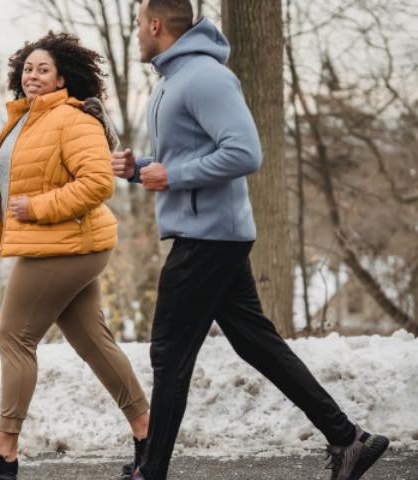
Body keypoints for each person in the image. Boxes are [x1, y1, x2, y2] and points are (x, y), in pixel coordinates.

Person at [111, 1, 390, 480]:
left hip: (208, 238)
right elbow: (187, 155)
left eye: (139, 24)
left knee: (169, 354)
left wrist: (171, 175)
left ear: (156, 24)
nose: (137, 33)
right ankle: (348, 439)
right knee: (255, 343)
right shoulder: (174, 80)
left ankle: (149, 472)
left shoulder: (206, 77)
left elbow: (244, 152)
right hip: (209, 233)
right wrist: (142, 170)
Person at [0, 32, 150, 480]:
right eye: (28, 68)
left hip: (64, 245)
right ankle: (148, 434)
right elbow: (12, 180)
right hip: (65, 245)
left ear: (63, 79)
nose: (32, 76)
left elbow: (98, 183)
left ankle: (5, 451)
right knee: (93, 342)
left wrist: (36, 208)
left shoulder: (73, 120)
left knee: (15, 337)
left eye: (43, 70)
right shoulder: (26, 120)